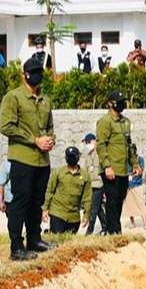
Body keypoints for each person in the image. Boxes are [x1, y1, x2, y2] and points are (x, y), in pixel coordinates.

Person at [0, 55, 55, 261]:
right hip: (22, 159)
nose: (38, 77)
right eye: (34, 73)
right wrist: (34, 140)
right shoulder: (13, 97)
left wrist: (50, 139)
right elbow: (6, 126)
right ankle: (16, 246)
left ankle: (34, 239)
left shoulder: (45, 99)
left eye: (41, 73)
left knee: (36, 202)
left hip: (42, 160)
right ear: (25, 75)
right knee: (20, 203)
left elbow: (49, 126)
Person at [95, 91, 133, 235]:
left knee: (119, 200)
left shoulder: (125, 122)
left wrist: (134, 164)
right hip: (111, 169)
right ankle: (113, 231)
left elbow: (129, 145)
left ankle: (115, 229)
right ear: (110, 103)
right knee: (112, 201)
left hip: (123, 169)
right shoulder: (105, 122)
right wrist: (107, 166)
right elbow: (101, 145)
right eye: (119, 101)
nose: (122, 103)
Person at [44, 146, 90, 234]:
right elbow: (50, 191)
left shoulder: (85, 176)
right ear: (66, 158)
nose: (71, 159)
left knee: (69, 242)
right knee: (57, 240)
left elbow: (87, 197)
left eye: (73, 157)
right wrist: (45, 209)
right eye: (69, 157)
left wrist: (86, 214)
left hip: (74, 217)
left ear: (78, 158)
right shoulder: (58, 173)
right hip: (58, 213)